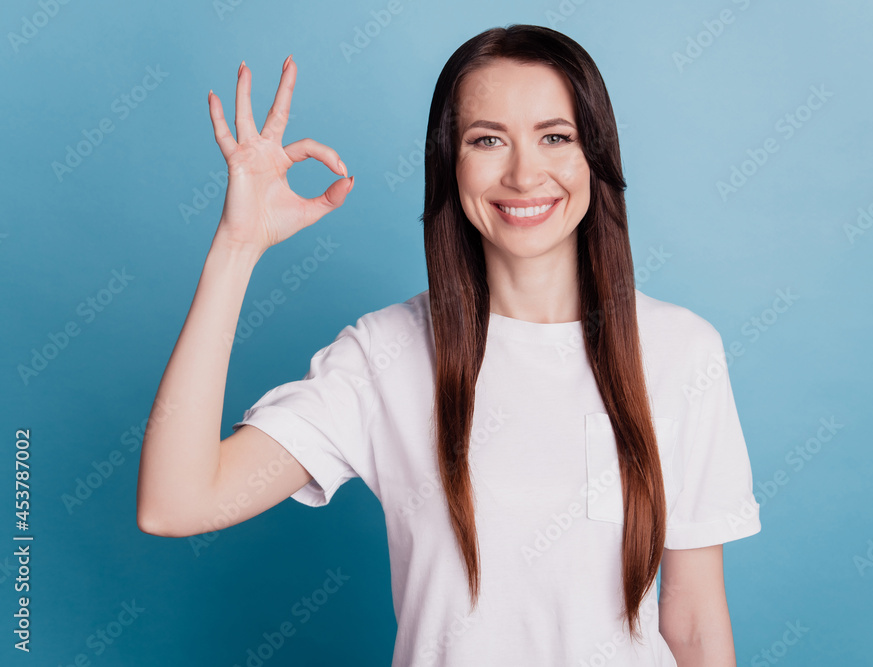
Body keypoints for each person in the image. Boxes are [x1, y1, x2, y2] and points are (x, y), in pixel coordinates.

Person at [136, 24, 761, 667]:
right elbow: (175, 503)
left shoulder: (680, 350)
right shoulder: (385, 355)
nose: (524, 173)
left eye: (555, 137)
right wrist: (237, 248)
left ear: (594, 156)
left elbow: (691, 619)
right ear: (448, 164)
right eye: (488, 140)